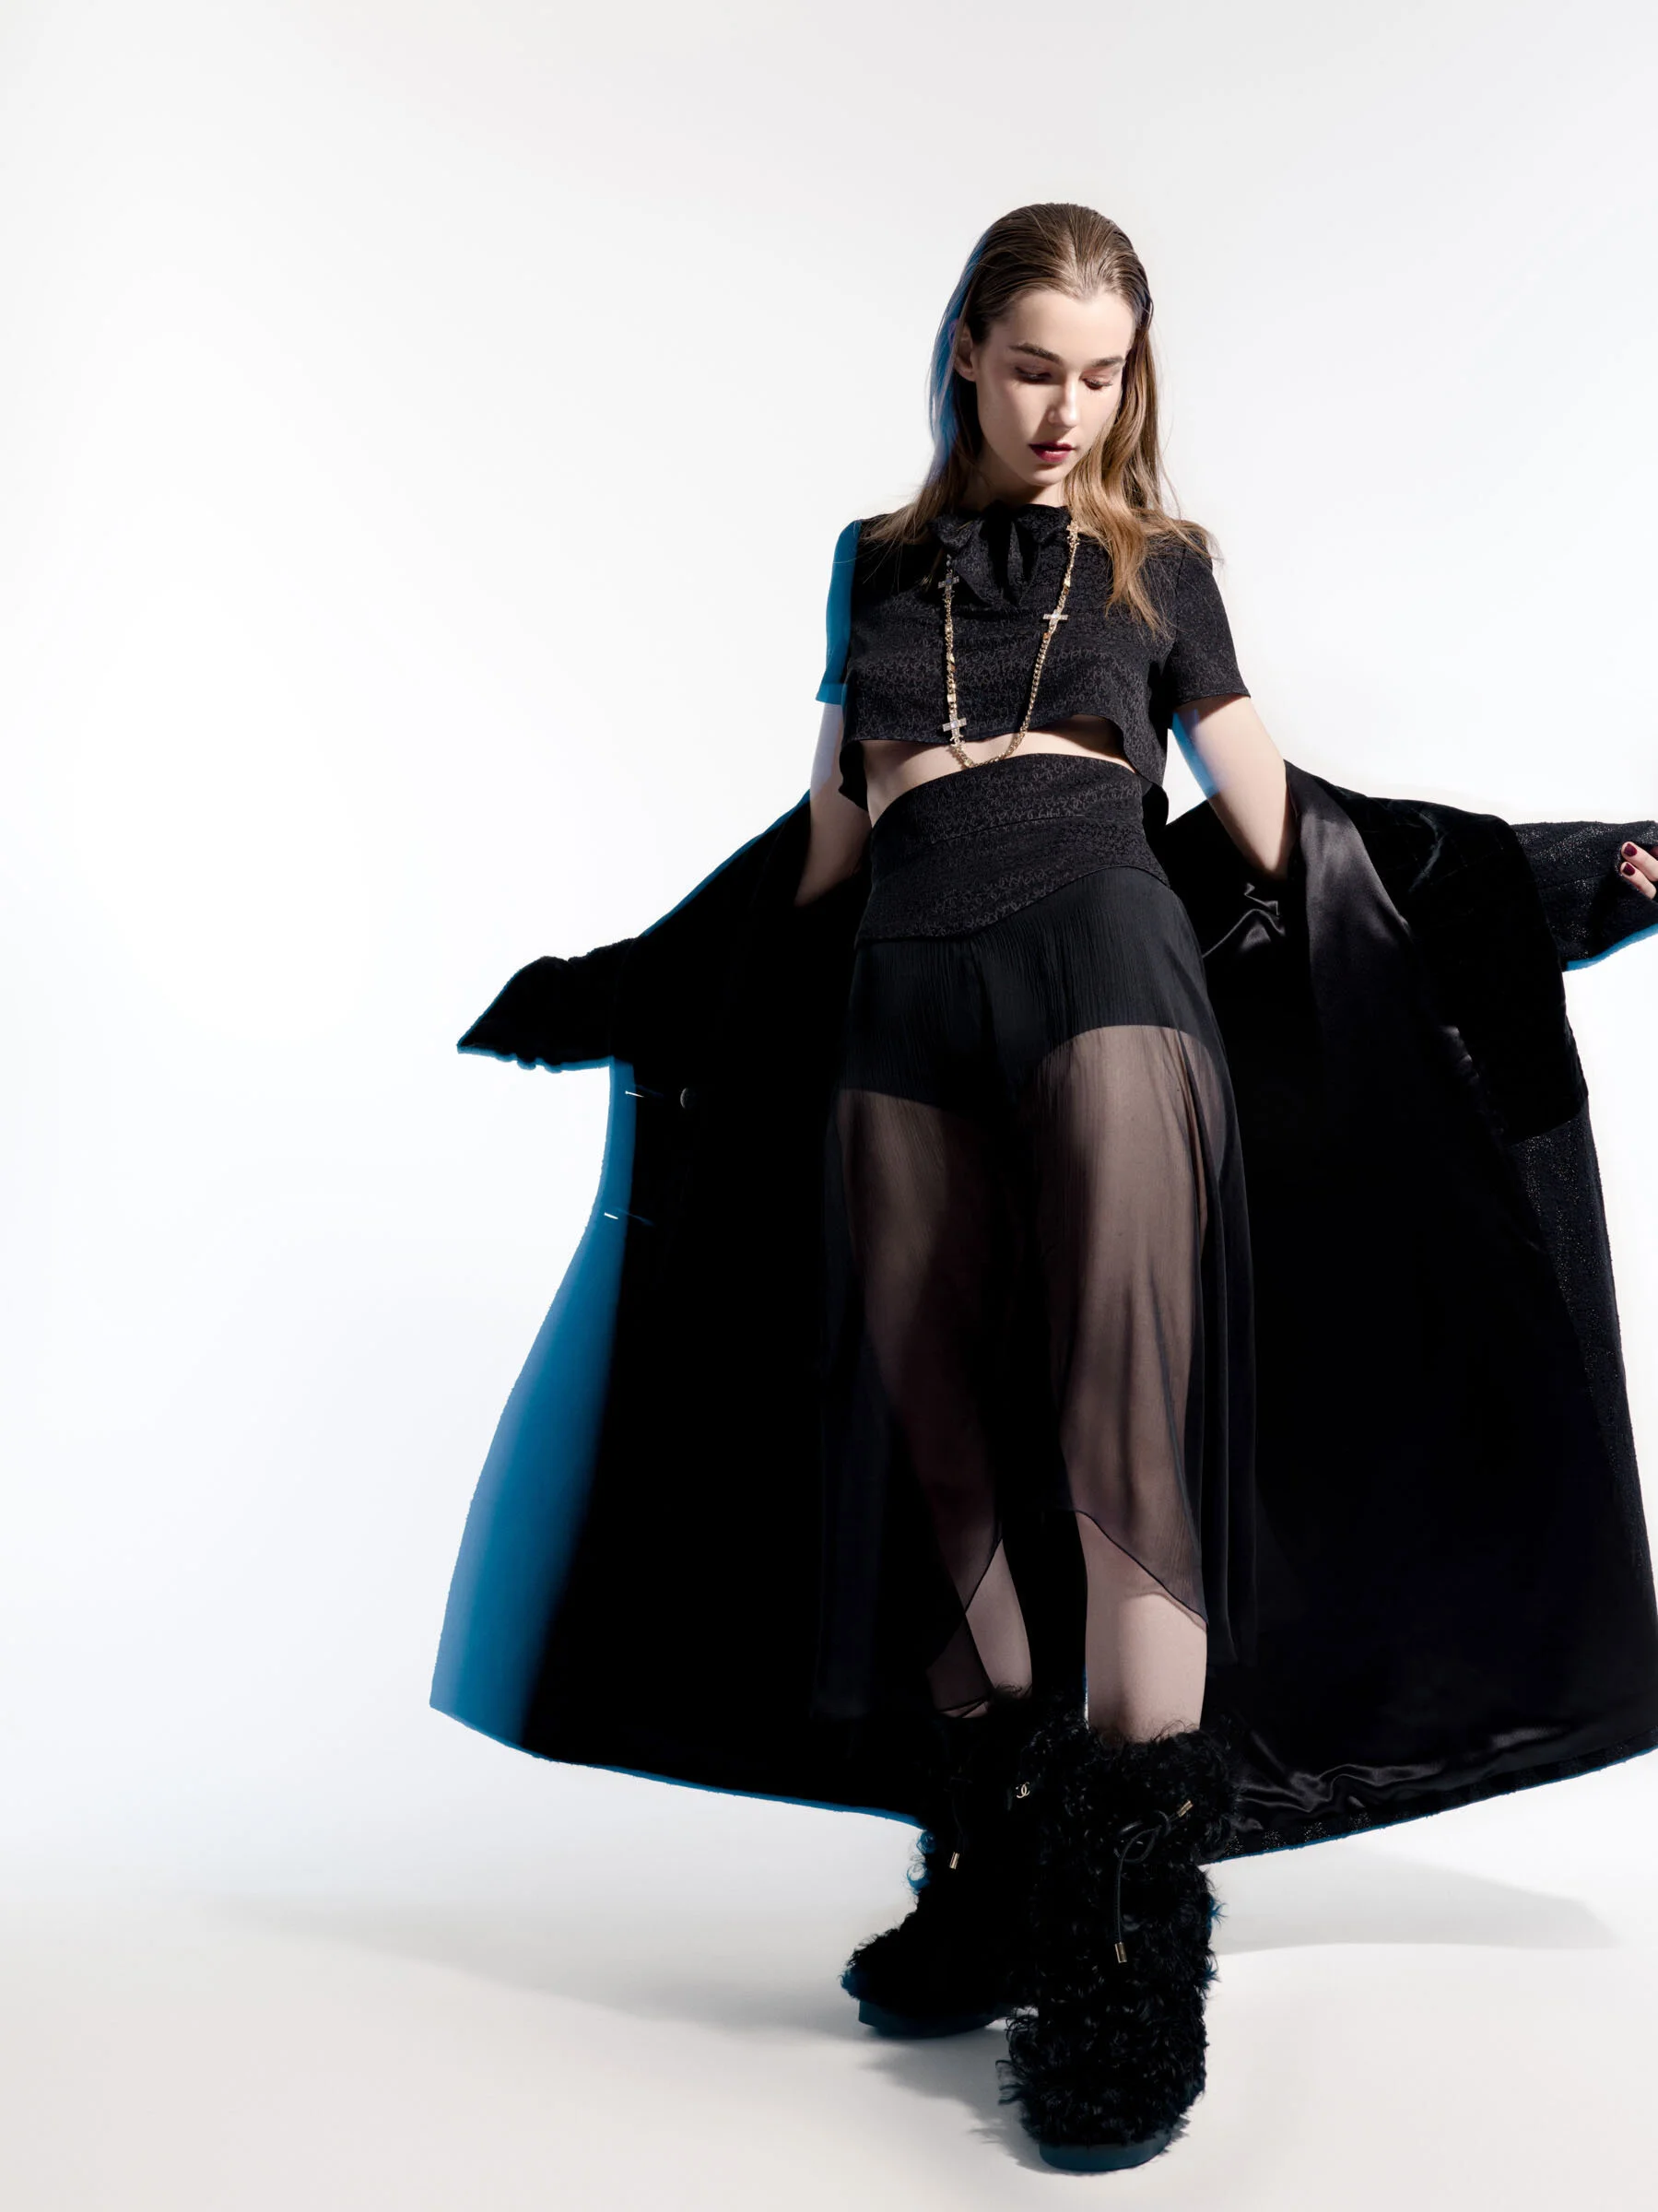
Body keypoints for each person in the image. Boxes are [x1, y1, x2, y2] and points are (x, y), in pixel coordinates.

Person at [432, 204, 1658, 2175]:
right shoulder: (874, 564)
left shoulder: (1156, 565)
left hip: (1107, 980)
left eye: (1100, 373)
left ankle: (1123, 1950)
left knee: (1116, 1460)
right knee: (935, 1464)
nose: (1067, 408)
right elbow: (826, 851)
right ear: (962, 361)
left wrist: (1552, 876)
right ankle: (999, 1870)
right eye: (1033, 368)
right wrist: (645, 987)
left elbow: (1274, 823)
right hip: (901, 1006)